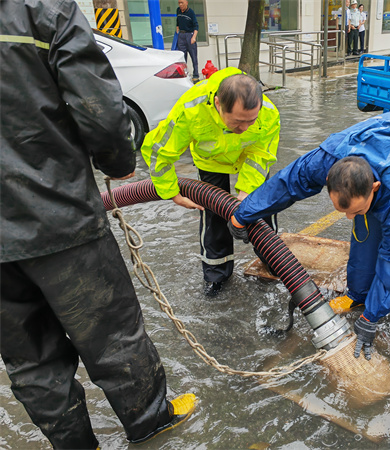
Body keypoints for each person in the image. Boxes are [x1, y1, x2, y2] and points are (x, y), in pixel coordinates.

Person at [0, 1, 195, 448]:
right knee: (114, 333)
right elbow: (98, 105)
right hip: (56, 213)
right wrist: (119, 160)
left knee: (30, 360)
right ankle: (151, 423)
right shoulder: (42, 9)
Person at [228, 110, 390, 369]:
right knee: (365, 223)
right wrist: (243, 215)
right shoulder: (326, 160)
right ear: (328, 179)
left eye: (353, 210)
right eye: (342, 210)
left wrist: (372, 317)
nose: (346, 217)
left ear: (375, 188)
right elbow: (287, 183)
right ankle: (359, 293)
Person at [141, 67, 280, 297]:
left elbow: (261, 157)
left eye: (250, 121)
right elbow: (159, 152)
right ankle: (217, 275)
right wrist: (173, 193)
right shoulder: (191, 109)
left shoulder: (268, 113)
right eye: (237, 122)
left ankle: (274, 260)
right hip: (211, 160)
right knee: (213, 215)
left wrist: (245, 194)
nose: (244, 128)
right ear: (217, 104)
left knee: (262, 207)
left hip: (249, 157)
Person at [176, 0, 200, 83]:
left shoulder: (191, 12)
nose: (180, 4)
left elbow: (196, 26)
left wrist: (194, 37)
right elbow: (177, 22)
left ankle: (196, 75)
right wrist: (177, 30)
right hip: (181, 35)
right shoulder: (178, 10)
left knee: (193, 56)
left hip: (190, 35)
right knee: (182, 57)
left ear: (186, 2)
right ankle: (183, 75)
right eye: (179, 3)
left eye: (182, 2)